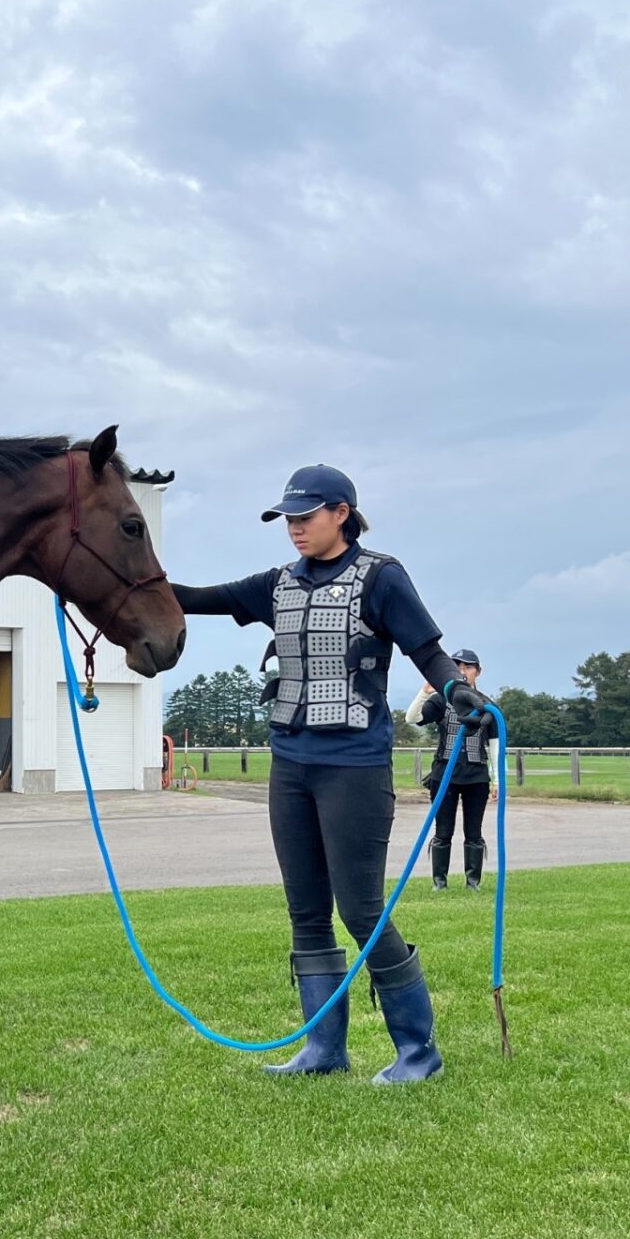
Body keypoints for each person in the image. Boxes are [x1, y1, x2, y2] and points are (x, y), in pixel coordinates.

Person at [170, 464, 485, 1084]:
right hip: (290, 766)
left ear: (341, 513)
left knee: (362, 909)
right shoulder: (275, 584)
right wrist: (108, 580)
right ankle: (323, 1050)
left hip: (356, 768)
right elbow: (198, 598)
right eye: (287, 518)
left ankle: (417, 1052)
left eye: (305, 516)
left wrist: (455, 689)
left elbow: (425, 648)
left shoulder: (382, 577)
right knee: (306, 910)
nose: (294, 528)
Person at [407, 650, 497, 891]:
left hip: (476, 775)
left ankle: (473, 882)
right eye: (457, 666)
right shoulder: (440, 700)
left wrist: (497, 779)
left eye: (468, 667)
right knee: (443, 829)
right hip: (444, 773)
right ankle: (440, 882)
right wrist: (424, 693)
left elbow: (496, 743)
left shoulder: (488, 704)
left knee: (474, 831)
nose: (462, 671)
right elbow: (412, 718)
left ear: (478, 671)